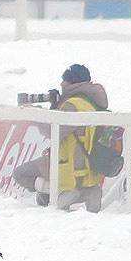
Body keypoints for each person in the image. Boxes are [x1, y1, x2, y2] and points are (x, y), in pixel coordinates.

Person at [13, 64, 109, 212]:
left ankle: (59, 191)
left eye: (65, 80)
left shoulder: (72, 105)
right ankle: (88, 192)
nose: (61, 84)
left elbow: (53, 131)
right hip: (89, 164)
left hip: (66, 162)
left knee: (21, 173)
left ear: (73, 82)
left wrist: (35, 114)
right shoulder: (94, 102)